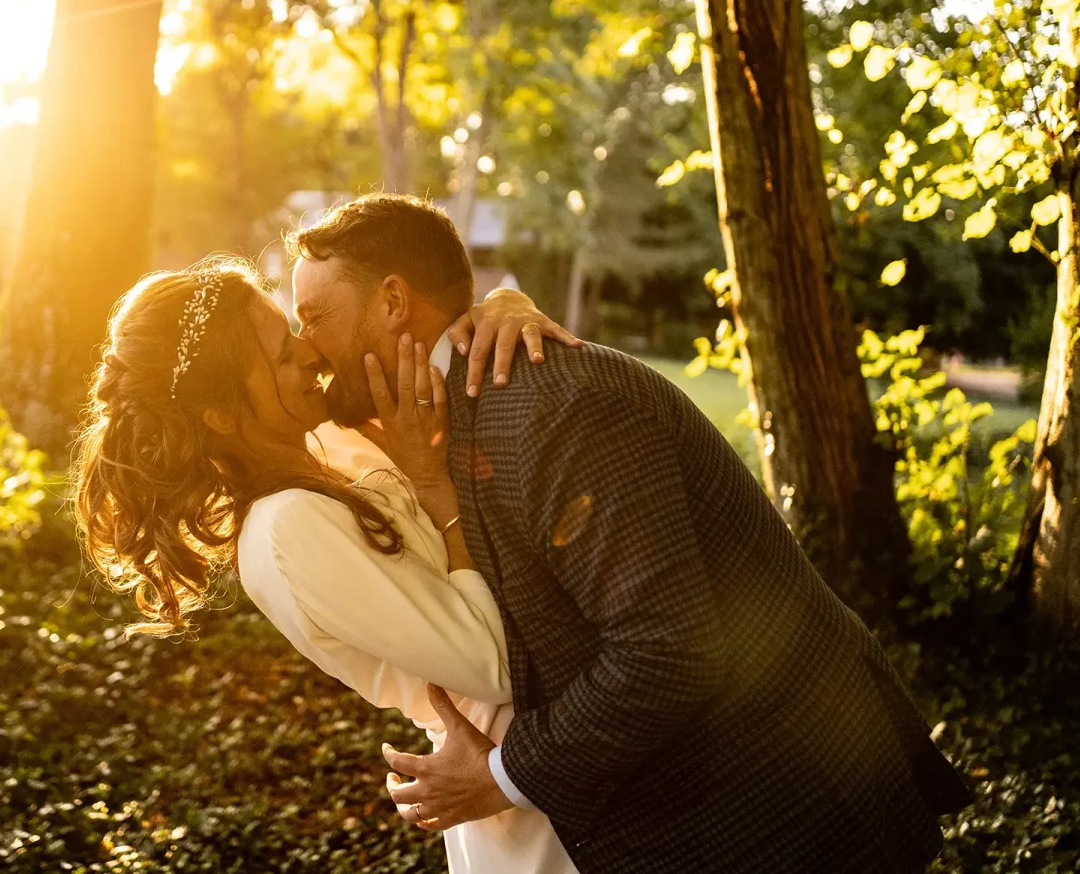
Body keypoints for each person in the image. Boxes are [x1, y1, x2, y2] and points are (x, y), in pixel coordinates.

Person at [284, 193, 973, 874]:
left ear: (394, 302)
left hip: (790, 796)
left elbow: (665, 650)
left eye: (315, 316)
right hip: (705, 800)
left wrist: (502, 776)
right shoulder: (446, 416)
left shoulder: (557, 407)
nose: (303, 344)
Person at [70, 255, 580, 873]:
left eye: (295, 332)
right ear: (223, 416)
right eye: (283, 356)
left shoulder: (331, 446)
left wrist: (501, 306)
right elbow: (493, 664)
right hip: (515, 778)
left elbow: (428, 344)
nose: (310, 354)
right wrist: (432, 486)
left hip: (555, 741)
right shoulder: (286, 529)